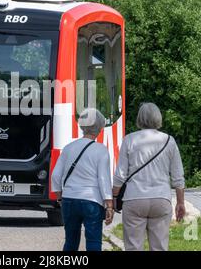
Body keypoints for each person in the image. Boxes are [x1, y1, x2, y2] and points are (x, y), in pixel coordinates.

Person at [113, 102, 186, 251]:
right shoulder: (169, 141)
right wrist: (180, 203)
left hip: (134, 199)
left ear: (140, 118)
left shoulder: (129, 140)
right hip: (161, 199)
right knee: (159, 247)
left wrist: (113, 198)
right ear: (158, 118)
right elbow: (178, 177)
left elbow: (120, 175)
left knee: (133, 246)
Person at [51, 108, 114, 251]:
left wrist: (60, 198)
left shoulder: (68, 148)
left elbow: (55, 176)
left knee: (70, 242)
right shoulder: (101, 150)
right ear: (100, 128)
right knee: (93, 242)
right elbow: (103, 180)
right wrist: (109, 205)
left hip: (69, 199)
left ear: (82, 126)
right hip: (92, 201)